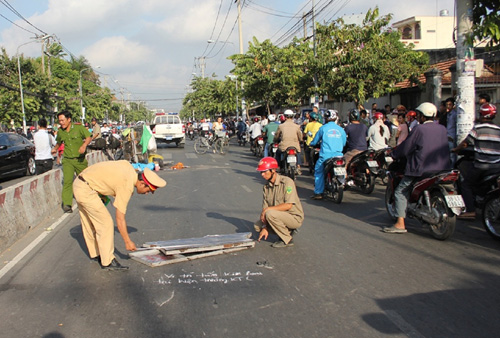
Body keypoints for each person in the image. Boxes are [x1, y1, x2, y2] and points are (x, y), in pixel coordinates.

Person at [73, 161, 166, 270]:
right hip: (86, 190)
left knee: (90, 222)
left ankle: (97, 254)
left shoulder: (129, 168)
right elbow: (120, 218)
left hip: (80, 183)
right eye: (147, 190)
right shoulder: (126, 186)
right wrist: (127, 241)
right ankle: (107, 261)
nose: (146, 193)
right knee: (106, 223)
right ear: (141, 183)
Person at [383, 102, 450, 234]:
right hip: (443, 168)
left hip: (421, 169)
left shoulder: (419, 130)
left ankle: (400, 223)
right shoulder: (442, 128)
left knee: (400, 191)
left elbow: (407, 147)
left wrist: (394, 154)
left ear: (423, 116)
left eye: (419, 115)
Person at [452, 103, 500, 219]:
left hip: (481, 165)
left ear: (482, 114)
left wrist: (456, 149)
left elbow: (465, 143)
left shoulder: (478, 128)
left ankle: (470, 210)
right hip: (497, 166)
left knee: (466, 184)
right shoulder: (498, 129)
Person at [253, 157, 304, 248]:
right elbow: (265, 208)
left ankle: (287, 239)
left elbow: (288, 205)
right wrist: (264, 227)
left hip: (293, 217)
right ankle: (287, 230)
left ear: (273, 170)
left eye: (265, 172)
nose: (262, 175)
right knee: (258, 226)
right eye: (261, 172)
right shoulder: (266, 187)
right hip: (278, 215)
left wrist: (268, 210)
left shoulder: (287, 182)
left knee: (270, 214)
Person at [51, 111, 92, 213]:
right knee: (68, 181)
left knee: (86, 180)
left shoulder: (79, 128)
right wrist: (55, 149)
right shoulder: (61, 132)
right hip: (68, 160)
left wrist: (84, 145)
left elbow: (88, 137)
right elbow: (59, 142)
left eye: (63, 120)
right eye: (59, 120)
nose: (61, 122)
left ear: (69, 119)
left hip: (80, 160)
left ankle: (90, 200)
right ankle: (67, 204)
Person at [309, 110, 346, 200]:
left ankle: (318, 192)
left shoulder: (323, 128)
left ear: (326, 118)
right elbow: (344, 143)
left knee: (318, 171)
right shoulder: (340, 129)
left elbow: (315, 141)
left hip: (325, 155)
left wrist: (312, 144)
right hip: (338, 155)